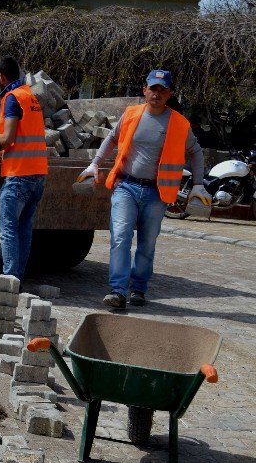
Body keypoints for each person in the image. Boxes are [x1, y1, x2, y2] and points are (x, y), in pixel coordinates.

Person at [77, 69, 209, 309]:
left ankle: (138, 288)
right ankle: (117, 290)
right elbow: (111, 139)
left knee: (147, 243)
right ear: (145, 90)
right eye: (153, 88)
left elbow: (196, 152)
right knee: (120, 237)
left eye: (162, 89)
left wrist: (198, 183)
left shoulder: (179, 124)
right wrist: (94, 164)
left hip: (156, 193)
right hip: (126, 186)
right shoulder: (131, 114)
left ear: (170, 93)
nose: (156, 93)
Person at [0, 56, 49, 281]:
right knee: (23, 230)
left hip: (19, 175)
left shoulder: (12, 98)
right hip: (38, 174)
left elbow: (9, 139)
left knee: (8, 230)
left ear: (1, 76)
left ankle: (10, 279)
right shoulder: (29, 96)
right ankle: (18, 278)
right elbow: (22, 124)